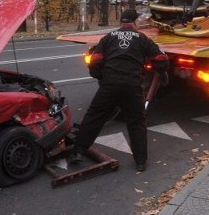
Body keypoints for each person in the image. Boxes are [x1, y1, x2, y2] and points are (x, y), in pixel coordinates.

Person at [70, 9, 168, 172]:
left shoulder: (109, 37)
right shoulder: (142, 38)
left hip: (110, 84)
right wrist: (161, 72)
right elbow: (161, 59)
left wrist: (100, 77)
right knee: (136, 122)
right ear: (135, 23)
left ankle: (77, 152)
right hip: (132, 86)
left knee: (94, 118)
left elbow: (95, 60)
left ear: (121, 23)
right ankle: (141, 162)